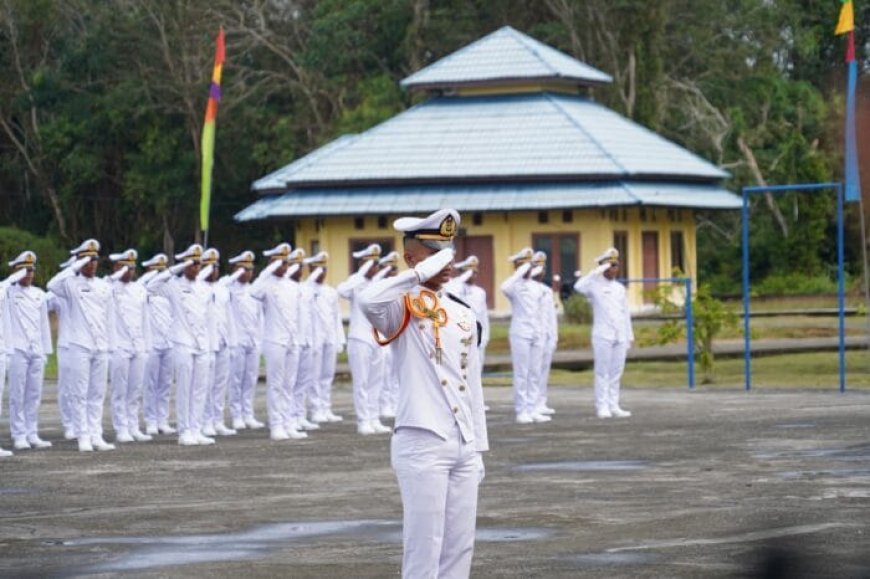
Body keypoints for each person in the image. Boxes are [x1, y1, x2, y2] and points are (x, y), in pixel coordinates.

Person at [359, 208, 488, 579]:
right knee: (424, 547)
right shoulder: (400, 302)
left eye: (449, 253)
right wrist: (417, 276)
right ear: (411, 257)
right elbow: (367, 301)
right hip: (422, 440)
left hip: (462, 441)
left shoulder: (462, 312)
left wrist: (477, 446)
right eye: (435, 255)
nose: (446, 263)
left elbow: (471, 384)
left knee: (458, 548)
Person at [47, 239, 117, 452]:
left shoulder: (104, 286)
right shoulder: (70, 284)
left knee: (97, 393)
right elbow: (52, 285)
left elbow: (110, 318)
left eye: (94, 259)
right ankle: (83, 435)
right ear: (78, 261)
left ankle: (96, 434)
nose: (92, 263)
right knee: (79, 393)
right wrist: (75, 265)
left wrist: (111, 346)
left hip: (100, 345)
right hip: (79, 345)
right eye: (87, 259)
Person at [145, 244, 214, 446]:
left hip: (202, 344)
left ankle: (196, 428)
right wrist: (176, 268)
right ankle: (184, 431)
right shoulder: (174, 285)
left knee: (200, 389)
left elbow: (208, 319)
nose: (196, 267)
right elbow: (151, 286)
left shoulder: (204, 288)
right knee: (184, 388)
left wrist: (210, 345)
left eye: (198, 264)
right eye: (192, 264)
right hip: (182, 342)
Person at [249, 243, 306, 441]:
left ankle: (288, 422)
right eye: (280, 262)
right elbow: (253, 292)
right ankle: (276, 425)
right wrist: (268, 270)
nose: (284, 266)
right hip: (274, 340)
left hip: (292, 339)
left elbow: (298, 315)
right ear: (272, 263)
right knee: (276, 384)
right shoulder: (266, 285)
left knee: (289, 384)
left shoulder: (293, 286)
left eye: (285, 262)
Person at [573, 247, 634, 418]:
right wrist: (597, 271)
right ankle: (602, 406)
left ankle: (614, 404)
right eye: (611, 265)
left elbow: (625, 313)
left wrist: (629, 336)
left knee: (616, 372)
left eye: (616, 265)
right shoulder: (593, 286)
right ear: (604, 267)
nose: (614, 269)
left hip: (619, 334)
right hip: (602, 335)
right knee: (602, 372)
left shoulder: (620, 288)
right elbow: (578, 287)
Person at [337, 244, 390, 435]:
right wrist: (362, 273)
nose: (375, 267)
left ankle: (374, 418)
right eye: (371, 263)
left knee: (377, 381)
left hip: (378, 338)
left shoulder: (378, 283)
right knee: (362, 383)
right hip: (359, 338)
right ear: (362, 264)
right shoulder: (355, 282)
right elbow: (341, 291)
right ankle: (363, 421)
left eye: (376, 263)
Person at [4, 252, 53, 451]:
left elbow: (44, 325)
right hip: (17, 349)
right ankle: (19, 434)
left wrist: (45, 351)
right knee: (17, 393)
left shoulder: (39, 294)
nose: (29, 274)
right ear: (16, 271)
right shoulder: (7, 292)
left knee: (34, 393)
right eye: (25, 270)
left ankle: (32, 432)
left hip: (36, 349)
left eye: (32, 269)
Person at [108, 248, 153, 443]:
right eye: (125, 267)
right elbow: (103, 284)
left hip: (138, 344)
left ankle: (133, 425)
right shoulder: (108, 287)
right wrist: (115, 276)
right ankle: (121, 427)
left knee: (135, 389)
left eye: (132, 268)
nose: (129, 271)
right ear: (117, 267)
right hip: (119, 345)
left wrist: (146, 345)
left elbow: (145, 320)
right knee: (120, 390)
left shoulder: (139, 290)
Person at [501, 247, 549, 424]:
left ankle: (533, 407)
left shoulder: (537, 287)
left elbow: (541, 313)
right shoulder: (514, 287)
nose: (528, 269)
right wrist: (520, 270)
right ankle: (521, 410)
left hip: (537, 334)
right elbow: (504, 287)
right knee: (522, 373)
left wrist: (543, 333)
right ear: (518, 267)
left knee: (535, 372)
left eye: (529, 265)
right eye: (523, 265)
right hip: (520, 333)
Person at [199, 248, 237, 437]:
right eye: (209, 266)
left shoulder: (223, 290)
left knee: (220, 384)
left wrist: (232, 340)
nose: (214, 270)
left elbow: (229, 317)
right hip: (206, 343)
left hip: (223, 341)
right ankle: (205, 421)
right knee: (206, 385)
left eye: (216, 266)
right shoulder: (198, 288)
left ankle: (217, 419)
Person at [303, 251, 345, 424]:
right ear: (311, 270)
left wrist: (340, 339)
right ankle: (315, 409)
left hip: (329, 338)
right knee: (314, 376)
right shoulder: (305, 290)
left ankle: (326, 407)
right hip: (314, 339)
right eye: (317, 269)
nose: (322, 272)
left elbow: (337, 317)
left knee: (327, 375)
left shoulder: (330, 292)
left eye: (324, 269)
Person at [226, 250, 265, 431]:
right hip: (237, 341)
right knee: (236, 379)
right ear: (235, 269)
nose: (247, 272)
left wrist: (260, 339)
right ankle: (236, 415)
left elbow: (260, 317)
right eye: (243, 268)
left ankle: (248, 413)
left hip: (253, 340)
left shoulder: (254, 290)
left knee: (250, 379)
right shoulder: (228, 290)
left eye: (250, 269)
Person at [139, 253, 176, 436]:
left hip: (168, 343)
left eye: (162, 269)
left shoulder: (170, 291)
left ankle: (163, 419)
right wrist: (154, 275)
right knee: (150, 385)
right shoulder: (144, 290)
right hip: (152, 344)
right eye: (156, 269)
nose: (160, 273)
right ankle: (150, 420)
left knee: (165, 385)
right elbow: (150, 285)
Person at [530, 251, 557, 417]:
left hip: (547, 335)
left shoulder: (547, 290)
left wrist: (554, 336)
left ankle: (541, 401)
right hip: (533, 335)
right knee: (532, 371)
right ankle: (531, 404)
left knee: (543, 371)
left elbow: (551, 316)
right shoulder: (524, 288)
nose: (541, 272)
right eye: (537, 268)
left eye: (543, 268)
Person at [374, 251, 400, 420]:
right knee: (382, 375)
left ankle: (395, 403)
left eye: (395, 268)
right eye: (390, 268)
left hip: (396, 336)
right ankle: (384, 405)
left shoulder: (400, 289)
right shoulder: (378, 288)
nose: (393, 272)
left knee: (396, 374)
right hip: (382, 337)